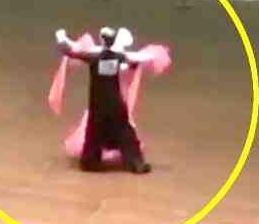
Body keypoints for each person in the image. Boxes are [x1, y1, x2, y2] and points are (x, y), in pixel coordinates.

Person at [49, 26, 170, 174]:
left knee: (93, 134)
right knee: (126, 133)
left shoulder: (93, 57)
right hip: (114, 102)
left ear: (102, 40)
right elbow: (134, 60)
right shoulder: (118, 57)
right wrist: (149, 57)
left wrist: (61, 38)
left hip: (97, 102)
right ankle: (136, 164)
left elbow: (70, 51)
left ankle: (90, 163)